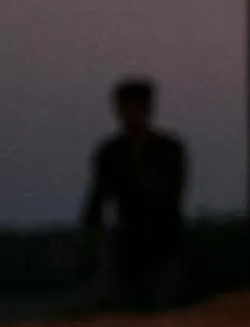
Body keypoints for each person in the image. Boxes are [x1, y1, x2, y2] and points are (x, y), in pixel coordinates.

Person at [81, 77, 189, 309]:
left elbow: (172, 195)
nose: (127, 114)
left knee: (161, 312)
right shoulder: (110, 152)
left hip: (163, 245)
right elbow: (97, 198)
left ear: (147, 109)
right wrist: (90, 238)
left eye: (133, 108)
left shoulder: (169, 150)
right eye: (123, 108)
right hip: (127, 247)